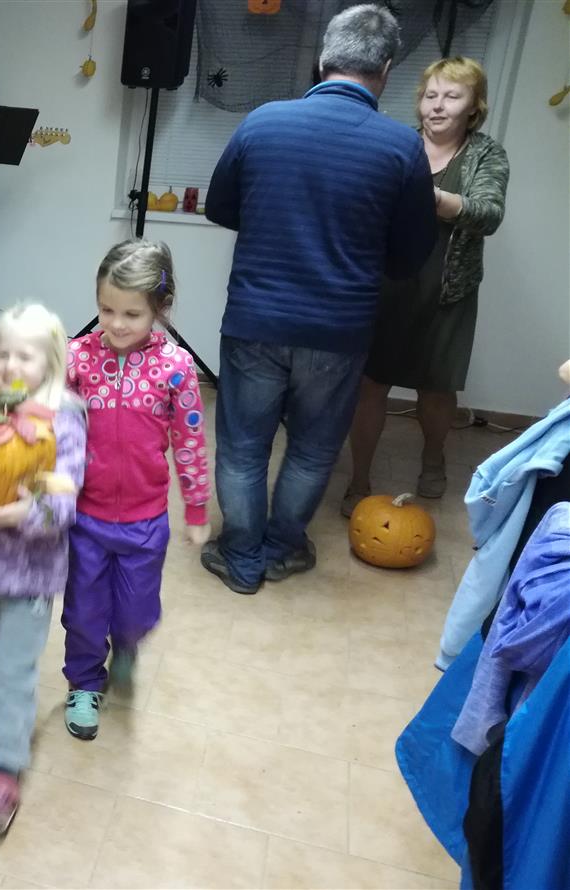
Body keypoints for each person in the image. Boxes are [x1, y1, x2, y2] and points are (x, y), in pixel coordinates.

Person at [201, 4, 436, 595]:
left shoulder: (262, 122)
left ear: (323, 57)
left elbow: (220, 207)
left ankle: (240, 556)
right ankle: (283, 550)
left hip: (255, 319)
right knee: (312, 449)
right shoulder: (402, 147)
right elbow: (410, 257)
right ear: (386, 68)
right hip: (340, 330)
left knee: (242, 446)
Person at [343, 57, 510, 515]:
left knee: (436, 388)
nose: (437, 106)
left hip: (448, 287)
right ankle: (359, 480)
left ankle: (433, 459)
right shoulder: (398, 143)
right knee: (370, 384)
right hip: (386, 285)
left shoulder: (486, 154)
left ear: (473, 106)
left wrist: (433, 198)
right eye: (430, 95)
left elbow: (489, 214)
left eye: (452, 96)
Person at [0, 303, 86, 834]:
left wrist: (28, 512)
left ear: (50, 361)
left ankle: (6, 769)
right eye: (2, 353)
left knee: (16, 672)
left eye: (24, 356)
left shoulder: (63, 418)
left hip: (31, 572)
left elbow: (66, 493)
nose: (9, 365)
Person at [62, 239, 211, 741]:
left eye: (132, 313)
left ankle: (125, 645)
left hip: (145, 522)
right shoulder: (77, 358)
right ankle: (84, 683)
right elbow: (50, 423)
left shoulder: (177, 368)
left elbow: (190, 442)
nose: (117, 324)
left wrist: (196, 509)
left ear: (159, 308)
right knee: (83, 612)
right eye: (106, 310)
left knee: (136, 614)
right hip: (85, 517)